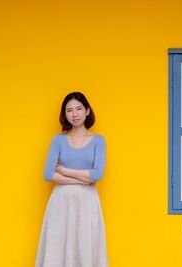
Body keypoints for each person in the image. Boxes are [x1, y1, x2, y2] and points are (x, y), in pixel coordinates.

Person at [35, 92, 108, 267]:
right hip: (61, 202)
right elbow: (47, 174)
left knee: (84, 245)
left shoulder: (98, 141)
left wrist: (63, 170)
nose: (74, 114)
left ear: (87, 111)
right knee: (57, 246)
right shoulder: (58, 140)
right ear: (64, 114)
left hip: (87, 202)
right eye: (69, 110)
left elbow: (97, 174)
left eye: (78, 109)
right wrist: (83, 179)